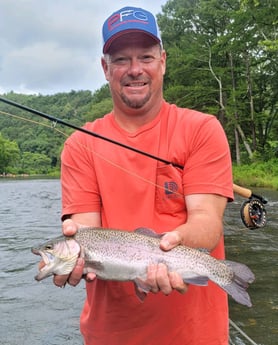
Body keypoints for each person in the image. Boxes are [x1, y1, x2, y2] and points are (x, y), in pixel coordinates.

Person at [54, 6, 234, 345]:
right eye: (121, 59)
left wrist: (170, 246)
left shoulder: (202, 130)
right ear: (105, 68)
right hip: (110, 335)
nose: (135, 70)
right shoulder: (79, 146)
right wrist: (68, 261)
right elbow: (85, 233)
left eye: (146, 57)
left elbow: (208, 223)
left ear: (163, 61)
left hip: (198, 335)